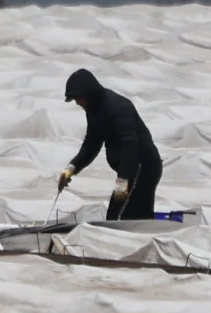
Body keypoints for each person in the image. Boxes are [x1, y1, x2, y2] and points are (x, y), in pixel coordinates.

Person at [59, 68, 163, 221]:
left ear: (88, 93)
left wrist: (122, 183)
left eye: (78, 99)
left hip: (142, 168)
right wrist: (71, 168)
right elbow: (92, 143)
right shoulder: (94, 109)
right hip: (129, 171)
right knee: (123, 217)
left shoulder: (118, 107)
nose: (78, 103)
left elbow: (130, 147)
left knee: (118, 218)